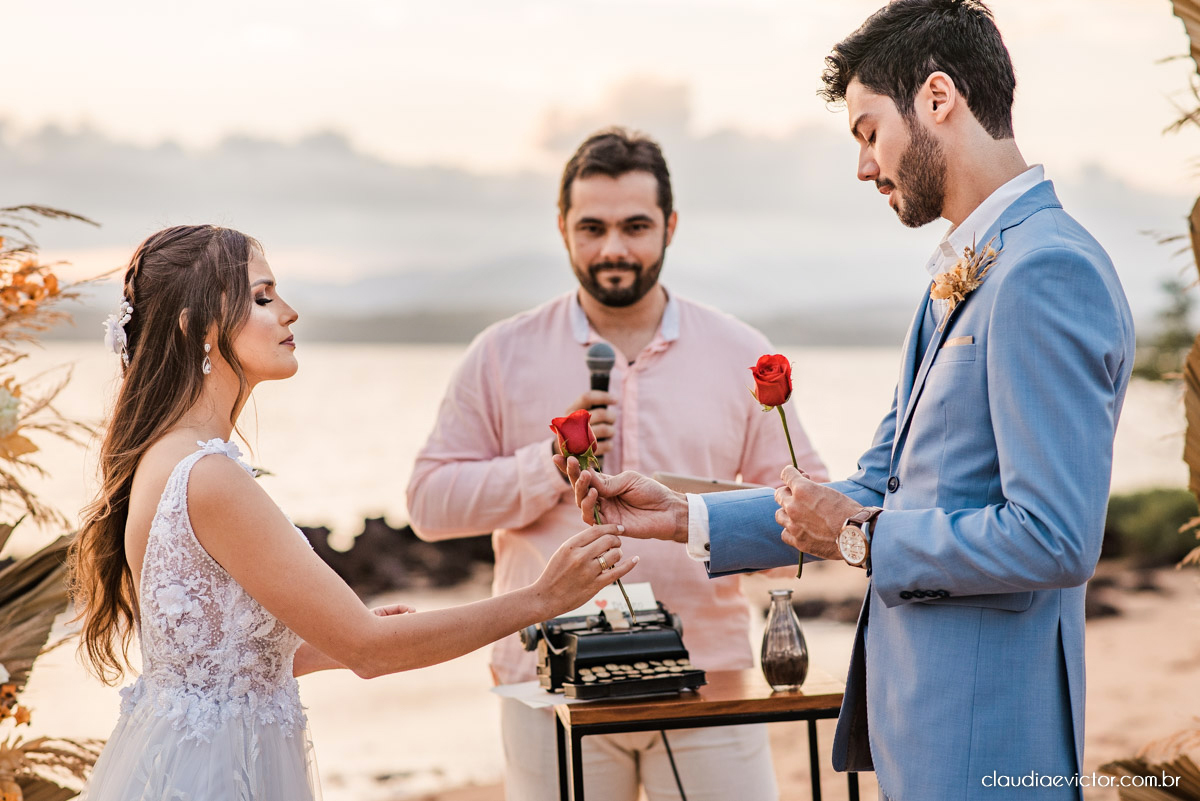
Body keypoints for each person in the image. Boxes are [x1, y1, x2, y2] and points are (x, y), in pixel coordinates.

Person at [563, 3, 1136, 799]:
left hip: (988, 737)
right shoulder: (964, 274)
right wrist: (682, 517)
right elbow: (874, 486)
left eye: (869, 132)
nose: (865, 166)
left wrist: (859, 539)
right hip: (920, 733)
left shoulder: (1045, 270)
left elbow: (1053, 538)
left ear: (938, 98)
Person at [67, 224, 635, 801]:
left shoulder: (162, 457)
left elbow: (213, 659)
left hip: (187, 760)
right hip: (220, 776)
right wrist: (542, 598)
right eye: (262, 297)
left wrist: (321, 646)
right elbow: (372, 650)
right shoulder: (208, 476)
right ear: (198, 329)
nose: (289, 312)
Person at [407, 128, 827, 801]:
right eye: (592, 228)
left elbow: (810, 513)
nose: (613, 249)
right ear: (562, 227)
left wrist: (714, 523)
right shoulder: (501, 353)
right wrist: (545, 466)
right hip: (547, 678)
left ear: (670, 225)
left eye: (634, 226)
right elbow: (428, 505)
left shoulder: (737, 350)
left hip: (707, 676)